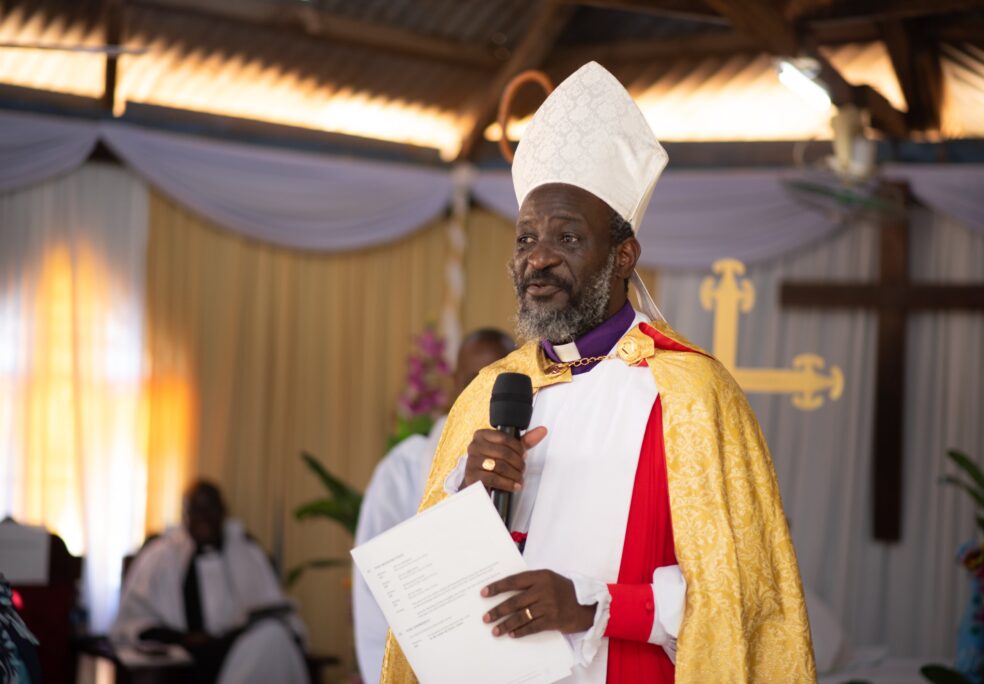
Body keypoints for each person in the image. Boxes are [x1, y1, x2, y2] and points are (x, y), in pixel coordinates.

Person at [381, 62, 815, 683]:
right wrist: (466, 494)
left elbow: (742, 597)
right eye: (525, 239)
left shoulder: (689, 394)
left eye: (567, 238)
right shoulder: (490, 393)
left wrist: (591, 606)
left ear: (623, 255)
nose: (539, 258)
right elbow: (440, 594)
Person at [353, 328, 516, 684]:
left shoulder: (535, 453)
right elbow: (375, 587)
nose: (486, 392)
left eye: (498, 379)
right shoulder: (405, 468)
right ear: (454, 383)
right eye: (474, 379)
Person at [111, 481, 309, 684]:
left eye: (210, 508)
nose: (203, 517)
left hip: (236, 649)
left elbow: (273, 609)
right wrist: (184, 638)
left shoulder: (248, 554)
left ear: (223, 512)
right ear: (184, 515)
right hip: (184, 655)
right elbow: (134, 621)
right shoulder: (160, 557)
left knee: (274, 637)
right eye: (196, 509)